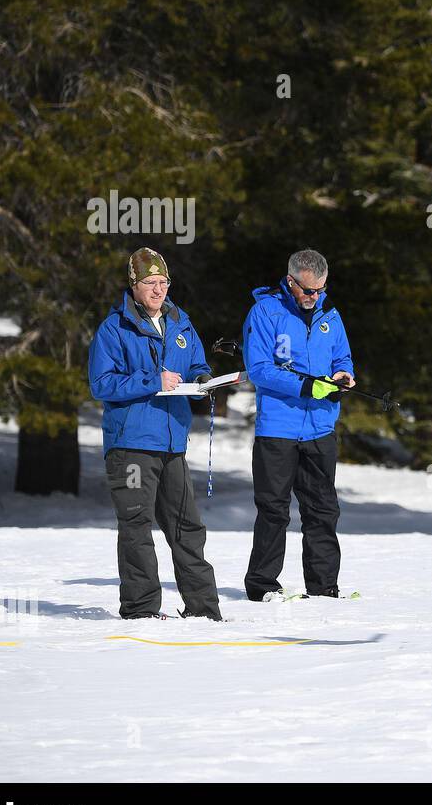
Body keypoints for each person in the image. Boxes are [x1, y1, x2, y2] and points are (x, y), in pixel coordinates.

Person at [87, 248, 223, 620]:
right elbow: (101, 384)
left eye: (163, 282)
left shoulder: (180, 322)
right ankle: (141, 609)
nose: (158, 289)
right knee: (136, 526)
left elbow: (196, 363)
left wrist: (203, 379)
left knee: (187, 527)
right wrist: (152, 380)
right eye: (150, 282)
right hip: (131, 445)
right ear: (134, 285)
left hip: (172, 443)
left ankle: (203, 610)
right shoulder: (113, 328)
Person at [241, 248, 355, 601]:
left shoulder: (329, 313)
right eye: (308, 290)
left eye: (320, 289)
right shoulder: (266, 312)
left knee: (323, 509)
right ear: (290, 281)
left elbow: (342, 355)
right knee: (274, 510)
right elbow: (259, 369)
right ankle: (262, 585)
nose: (314, 296)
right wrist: (305, 386)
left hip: (320, 427)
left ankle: (323, 587)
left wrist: (343, 374)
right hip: (278, 429)